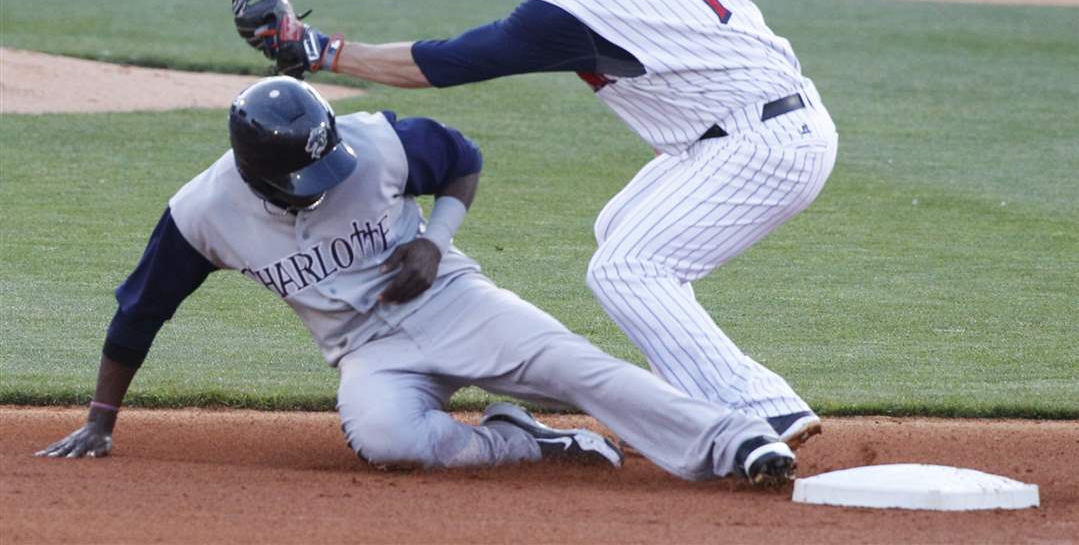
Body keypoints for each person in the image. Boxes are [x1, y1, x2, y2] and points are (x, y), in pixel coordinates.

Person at [233, 0, 838, 450]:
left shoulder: (579, 5)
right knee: (619, 226)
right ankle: (701, 401)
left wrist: (315, 48)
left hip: (762, 146)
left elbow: (444, 63)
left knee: (627, 269)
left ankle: (761, 409)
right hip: (754, 126)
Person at [36, 76, 797, 487]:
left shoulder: (374, 141)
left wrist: (436, 240)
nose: (324, 181)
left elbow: (461, 157)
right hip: (368, 352)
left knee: (574, 367)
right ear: (254, 172)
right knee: (389, 440)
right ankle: (522, 443)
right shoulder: (203, 214)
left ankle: (735, 443)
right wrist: (102, 419)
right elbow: (141, 312)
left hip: (452, 302)